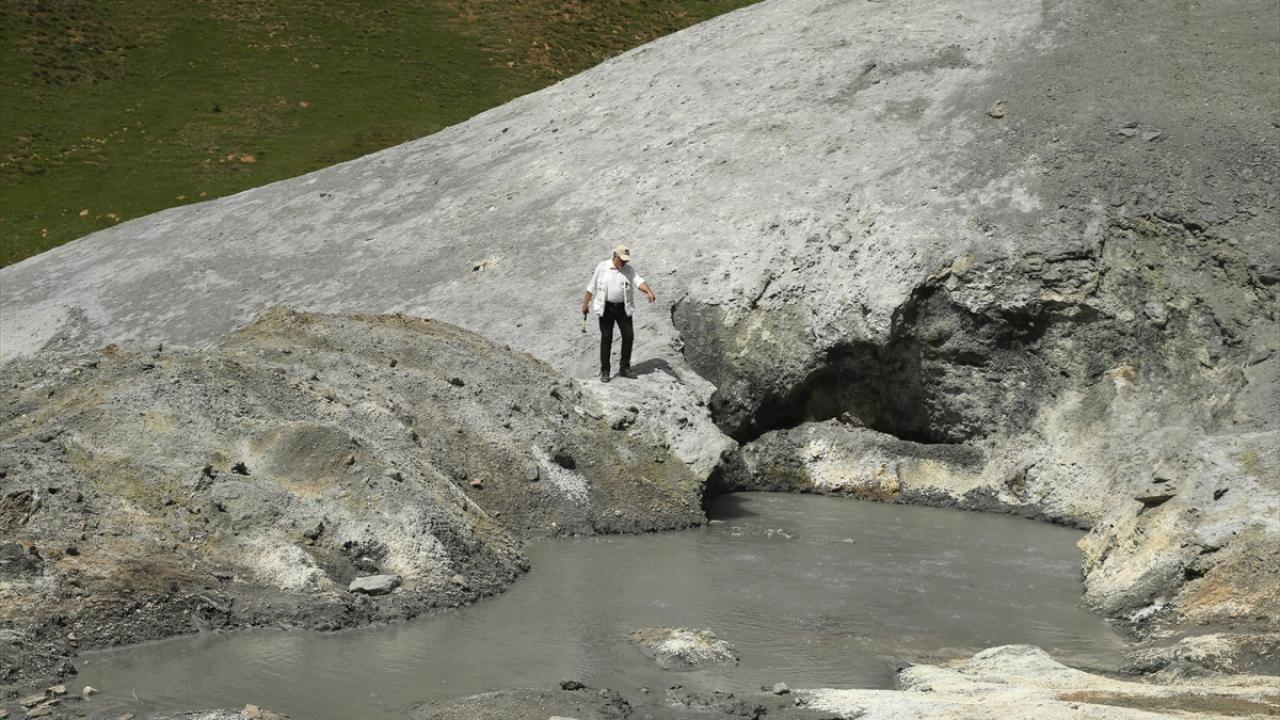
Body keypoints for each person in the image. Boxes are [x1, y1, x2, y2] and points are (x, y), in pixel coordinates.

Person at [581, 245, 656, 382]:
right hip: (606, 308)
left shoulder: (628, 270)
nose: (624, 263)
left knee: (628, 336)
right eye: (622, 260)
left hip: (623, 308)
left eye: (626, 260)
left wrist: (649, 292)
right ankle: (605, 371)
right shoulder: (602, 267)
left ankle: (624, 368)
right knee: (606, 338)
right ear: (615, 256)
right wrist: (586, 303)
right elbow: (591, 286)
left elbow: (639, 281)